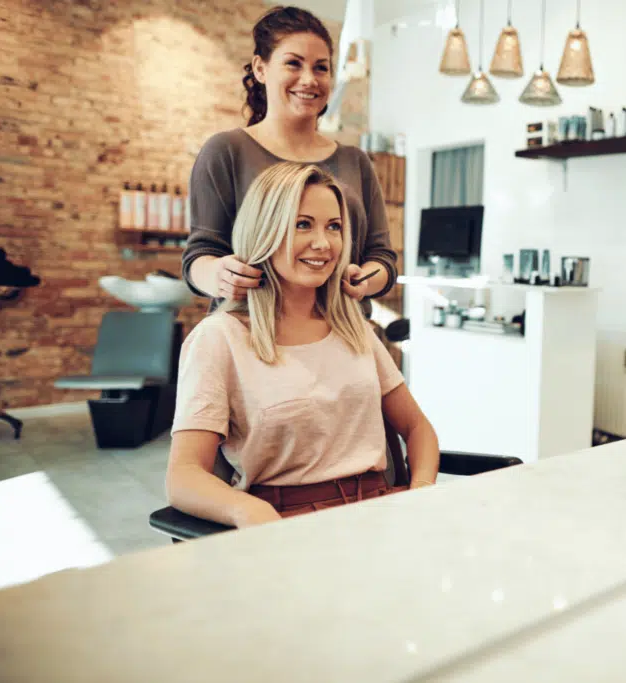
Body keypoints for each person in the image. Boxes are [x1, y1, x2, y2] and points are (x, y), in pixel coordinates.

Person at [166, 162, 439, 528]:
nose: (323, 244)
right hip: (283, 523)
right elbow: (184, 476)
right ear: (265, 231)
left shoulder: (353, 328)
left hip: (380, 515)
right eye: (302, 224)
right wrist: (247, 510)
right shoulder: (220, 338)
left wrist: (420, 490)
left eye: (334, 227)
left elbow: (419, 428)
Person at [182, 5, 396, 314]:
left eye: (321, 68)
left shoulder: (355, 162)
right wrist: (218, 275)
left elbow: (382, 259)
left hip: (341, 338)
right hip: (252, 337)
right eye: (293, 64)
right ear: (261, 69)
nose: (309, 79)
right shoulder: (226, 151)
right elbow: (199, 257)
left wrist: (365, 281)